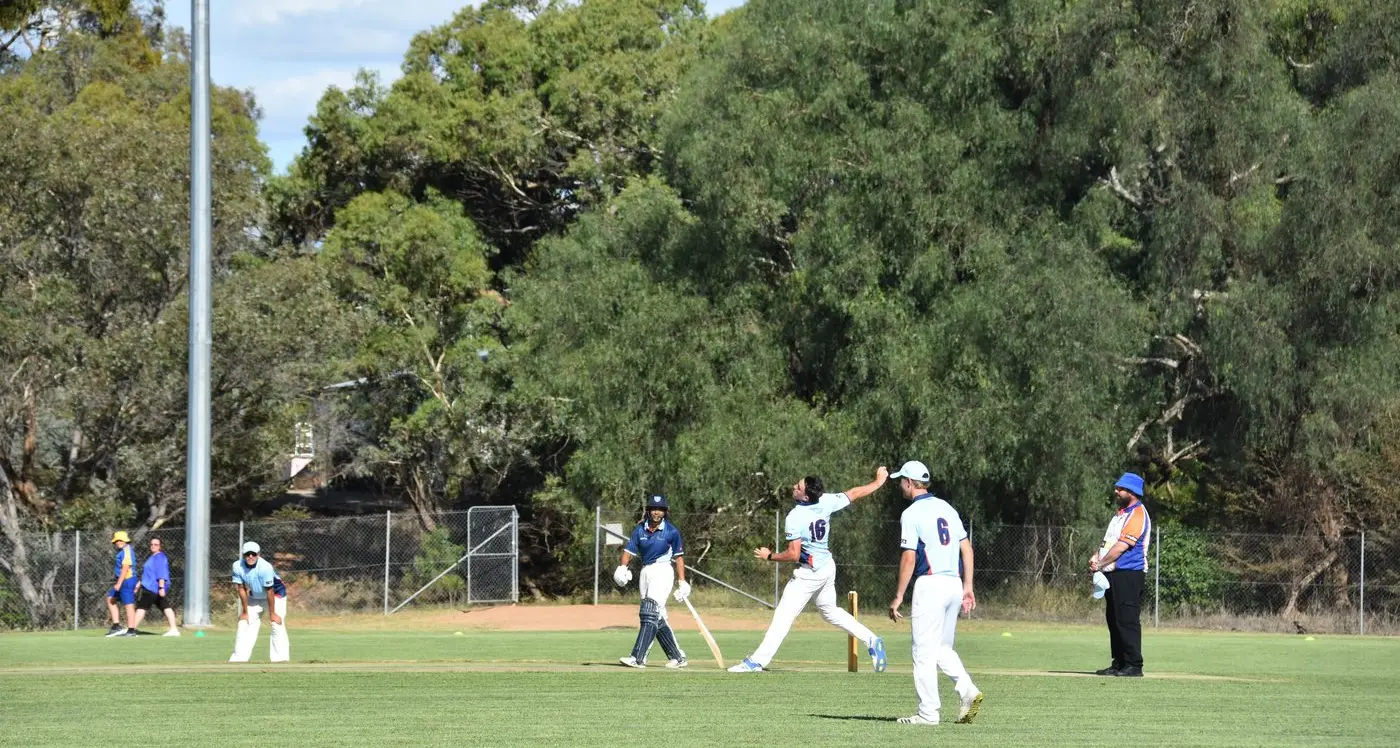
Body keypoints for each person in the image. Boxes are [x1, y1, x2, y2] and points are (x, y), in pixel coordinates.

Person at [728, 466, 889, 673]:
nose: (794, 487)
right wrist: (878, 482)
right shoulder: (826, 500)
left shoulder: (795, 517)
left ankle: (756, 661)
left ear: (805, 497)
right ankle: (872, 640)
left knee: (783, 616)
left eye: (798, 487)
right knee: (830, 612)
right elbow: (854, 493)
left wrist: (769, 556)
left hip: (809, 573)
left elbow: (793, 554)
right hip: (827, 567)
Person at [887, 460, 982, 726]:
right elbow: (967, 549)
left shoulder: (911, 514)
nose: (899, 485)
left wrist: (898, 596)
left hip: (930, 585)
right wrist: (968, 586)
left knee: (922, 652)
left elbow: (908, 557)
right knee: (942, 649)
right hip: (953, 584)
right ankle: (968, 691)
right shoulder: (947, 508)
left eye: (900, 481)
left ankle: (928, 713)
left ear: (909, 482)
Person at [613, 494, 689, 669]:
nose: (657, 512)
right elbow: (628, 552)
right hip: (646, 571)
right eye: (654, 509)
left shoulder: (671, 531)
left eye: (660, 509)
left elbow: (678, 558)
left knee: (649, 611)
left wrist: (682, 581)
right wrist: (622, 568)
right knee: (656, 616)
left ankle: (638, 657)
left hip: (663, 570)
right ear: (648, 510)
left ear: (665, 512)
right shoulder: (640, 530)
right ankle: (677, 657)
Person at [1089, 472, 1152, 677]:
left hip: (1130, 573)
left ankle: (1134, 665)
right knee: (1114, 618)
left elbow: (1122, 546)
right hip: (1112, 573)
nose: (1116, 491)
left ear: (1132, 492)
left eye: (1121, 488)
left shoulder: (1138, 514)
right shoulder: (1120, 513)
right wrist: (1096, 556)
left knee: (1127, 619)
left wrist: (1100, 563)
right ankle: (1119, 662)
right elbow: (1108, 542)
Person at [229, 541, 290, 663]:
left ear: (258, 554)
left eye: (253, 554)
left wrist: (272, 613)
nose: (250, 556)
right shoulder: (237, 566)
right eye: (248, 554)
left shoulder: (265, 567)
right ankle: (239, 659)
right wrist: (245, 612)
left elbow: (270, 591)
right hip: (255, 596)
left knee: (276, 623)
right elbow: (241, 589)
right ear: (243, 555)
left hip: (276, 595)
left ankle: (280, 659)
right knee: (243, 623)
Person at [132, 536, 180, 636]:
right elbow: (148, 573)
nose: (153, 546)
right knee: (165, 606)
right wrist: (139, 583)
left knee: (141, 608)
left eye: (156, 544)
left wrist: (161, 587)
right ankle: (174, 629)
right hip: (150, 586)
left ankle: (132, 629)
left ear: (160, 546)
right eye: (151, 544)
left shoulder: (159, 557)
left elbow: (161, 573)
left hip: (153, 588)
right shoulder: (152, 557)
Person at [105, 531, 138, 637]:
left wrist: (119, 583)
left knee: (128, 605)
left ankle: (131, 630)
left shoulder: (127, 551)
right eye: (116, 540)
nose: (118, 542)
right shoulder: (122, 551)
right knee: (110, 599)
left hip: (127, 580)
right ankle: (116, 626)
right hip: (122, 580)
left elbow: (126, 567)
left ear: (125, 540)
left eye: (120, 540)